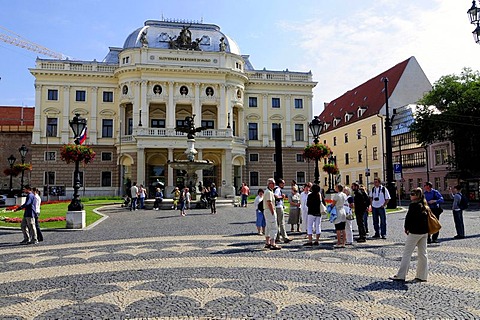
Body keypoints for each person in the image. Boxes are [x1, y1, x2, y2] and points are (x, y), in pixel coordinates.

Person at [389, 187, 429, 283]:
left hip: (415, 232)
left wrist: (406, 228)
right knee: (423, 253)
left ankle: (401, 275)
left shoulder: (413, 205)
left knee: (407, 253)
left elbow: (409, 218)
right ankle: (422, 276)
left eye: (412, 194)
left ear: (416, 196)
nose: (410, 196)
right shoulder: (424, 205)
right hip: (424, 232)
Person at [264, 178, 281, 250]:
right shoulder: (269, 192)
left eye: (274, 183)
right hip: (270, 210)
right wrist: (273, 212)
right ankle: (272, 243)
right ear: (268, 184)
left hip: (267, 210)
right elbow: (269, 202)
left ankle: (267, 242)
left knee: (268, 226)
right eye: (272, 183)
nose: (274, 185)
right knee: (273, 227)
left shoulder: (268, 191)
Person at [331, 184, 347, 248]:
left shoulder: (336, 195)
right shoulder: (344, 194)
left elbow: (333, 204)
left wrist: (330, 207)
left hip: (338, 211)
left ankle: (339, 242)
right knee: (343, 228)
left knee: (338, 228)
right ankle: (343, 242)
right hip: (343, 210)